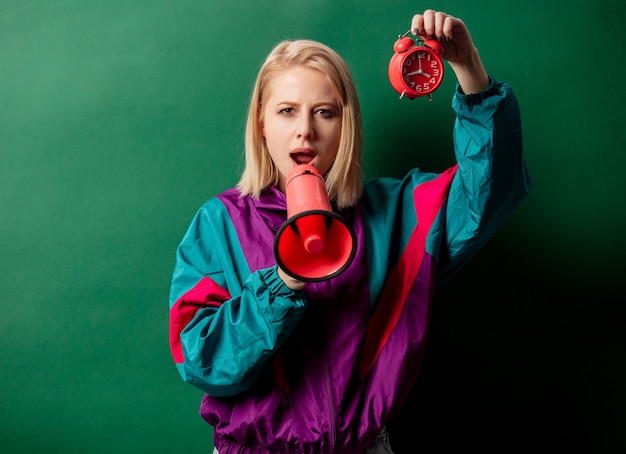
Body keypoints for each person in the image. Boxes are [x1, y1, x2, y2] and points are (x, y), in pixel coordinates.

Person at [168, 8, 531, 454]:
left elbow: (491, 188)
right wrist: (281, 284)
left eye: (324, 112)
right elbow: (202, 361)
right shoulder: (219, 223)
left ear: (347, 124)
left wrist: (467, 65)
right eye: (286, 111)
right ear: (261, 123)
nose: (305, 131)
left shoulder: (395, 213)